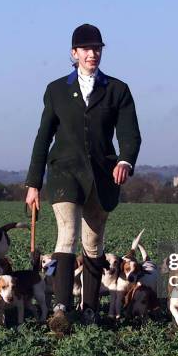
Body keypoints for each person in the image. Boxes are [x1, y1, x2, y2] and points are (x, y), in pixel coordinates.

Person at [25, 24, 141, 333]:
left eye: (97, 48)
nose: (93, 54)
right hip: (64, 172)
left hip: (103, 175)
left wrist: (125, 161)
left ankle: (89, 308)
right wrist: (33, 182)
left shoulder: (118, 90)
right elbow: (43, 136)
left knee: (93, 242)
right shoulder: (56, 90)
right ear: (74, 54)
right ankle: (61, 309)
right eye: (86, 49)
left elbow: (130, 135)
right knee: (68, 234)